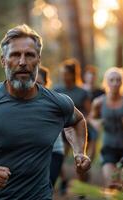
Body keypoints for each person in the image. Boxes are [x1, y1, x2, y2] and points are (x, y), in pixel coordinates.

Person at [0, 24, 91, 200]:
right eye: (15, 55)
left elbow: (77, 121)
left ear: (38, 60)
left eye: (29, 55)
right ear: (3, 60)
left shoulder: (57, 103)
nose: (22, 62)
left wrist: (79, 152)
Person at [89, 67, 123, 189]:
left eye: (118, 80)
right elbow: (90, 118)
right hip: (109, 148)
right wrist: (95, 123)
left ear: (122, 82)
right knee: (111, 185)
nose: (115, 83)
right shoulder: (98, 102)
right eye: (111, 80)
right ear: (106, 82)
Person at [54, 59, 91, 193]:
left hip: (78, 129)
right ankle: (64, 180)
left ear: (72, 75)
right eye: (62, 74)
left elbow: (88, 111)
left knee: (80, 159)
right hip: (61, 130)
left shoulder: (82, 92)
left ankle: (82, 188)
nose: (64, 76)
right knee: (57, 158)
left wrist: (84, 119)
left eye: (66, 74)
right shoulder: (57, 89)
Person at [37, 66, 64, 187]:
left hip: (54, 152)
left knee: (47, 187)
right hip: (33, 153)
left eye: (39, 83)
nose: (35, 86)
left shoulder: (54, 101)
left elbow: (72, 122)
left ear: (46, 83)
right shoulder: (21, 101)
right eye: (33, 82)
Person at [82, 65, 105, 161]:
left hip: (95, 124)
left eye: (93, 76)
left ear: (95, 78)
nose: (91, 78)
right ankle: (82, 169)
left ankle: (86, 165)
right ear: (85, 77)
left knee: (93, 150)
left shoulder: (101, 92)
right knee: (83, 149)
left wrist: (100, 121)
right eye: (89, 76)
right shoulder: (80, 90)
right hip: (81, 122)